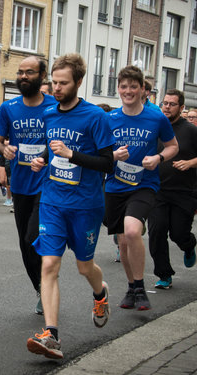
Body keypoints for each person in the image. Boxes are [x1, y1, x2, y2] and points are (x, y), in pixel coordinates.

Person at [26, 53, 114, 359]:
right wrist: (43, 161)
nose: (57, 87)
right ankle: (51, 334)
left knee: (84, 267)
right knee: (49, 264)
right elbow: (53, 152)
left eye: (64, 83)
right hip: (52, 200)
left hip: (86, 205)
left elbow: (107, 163)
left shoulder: (95, 117)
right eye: (54, 81)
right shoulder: (49, 113)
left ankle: (100, 294)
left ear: (78, 81)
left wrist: (72, 154)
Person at [105, 66, 178, 311]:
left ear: (142, 90)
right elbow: (97, 152)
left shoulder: (156, 117)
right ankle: (132, 287)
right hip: (115, 187)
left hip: (144, 184)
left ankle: (139, 286)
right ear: (118, 89)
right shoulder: (110, 119)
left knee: (133, 231)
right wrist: (112, 155)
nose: (128, 91)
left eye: (133, 87)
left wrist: (159, 158)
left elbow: (173, 147)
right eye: (123, 86)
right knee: (123, 242)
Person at [0, 56, 57, 315]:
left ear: (42, 76)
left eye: (29, 72)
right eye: (20, 72)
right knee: (24, 243)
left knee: (33, 237)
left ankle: (47, 285)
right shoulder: (9, 108)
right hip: (20, 185)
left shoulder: (54, 106)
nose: (23, 77)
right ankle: (41, 287)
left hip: (47, 183)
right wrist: (4, 150)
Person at [148, 89, 197, 289]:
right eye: (165, 103)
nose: (167, 107)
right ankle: (164, 274)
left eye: (172, 104)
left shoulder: (191, 130)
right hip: (157, 190)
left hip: (184, 191)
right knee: (157, 231)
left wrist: (190, 163)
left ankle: (189, 244)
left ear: (181, 107)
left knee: (178, 233)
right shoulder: (155, 127)